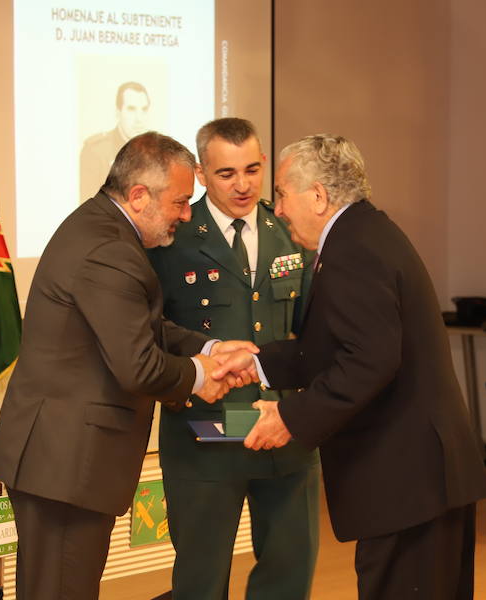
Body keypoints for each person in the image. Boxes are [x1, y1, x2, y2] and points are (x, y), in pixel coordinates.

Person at [214, 135, 486, 599]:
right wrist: (259, 362)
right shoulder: (361, 234)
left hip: (407, 484)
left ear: (318, 196)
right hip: (420, 479)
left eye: (282, 193)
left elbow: (370, 361)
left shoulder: (353, 249)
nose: (277, 209)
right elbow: (334, 347)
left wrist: (288, 417)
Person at [0, 131, 256, 600]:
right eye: (180, 202)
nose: (186, 215)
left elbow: (143, 326)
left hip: (62, 460)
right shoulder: (108, 250)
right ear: (137, 196)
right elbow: (139, 366)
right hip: (66, 464)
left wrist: (212, 349)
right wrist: (199, 377)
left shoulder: (102, 230)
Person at [148, 118, 320, 599]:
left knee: (290, 571)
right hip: (205, 435)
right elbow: (148, 328)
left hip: (283, 427)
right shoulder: (173, 235)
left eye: (252, 170)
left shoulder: (288, 228)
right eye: (226, 174)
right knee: (201, 581)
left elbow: (311, 327)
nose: (242, 185)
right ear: (201, 174)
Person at [80, 81, 151, 201]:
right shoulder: (96, 152)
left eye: (143, 110)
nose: (139, 118)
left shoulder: (156, 152)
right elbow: (87, 207)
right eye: (131, 109)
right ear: (118, 113)